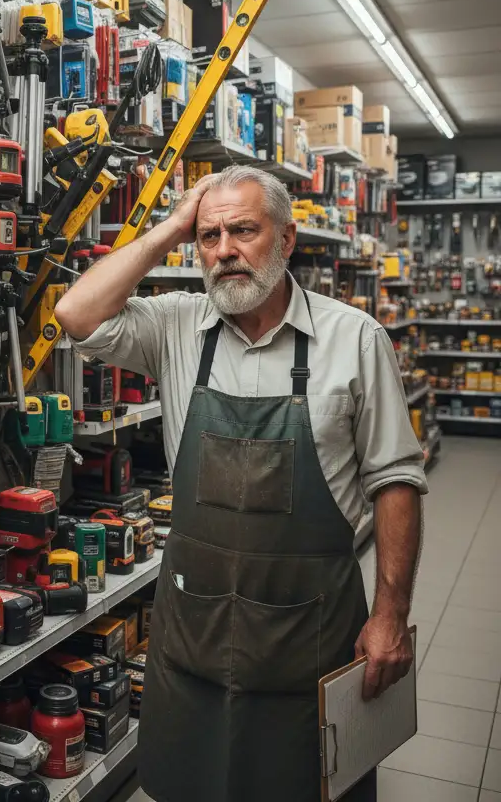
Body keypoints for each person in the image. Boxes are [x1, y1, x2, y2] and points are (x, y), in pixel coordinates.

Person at [55, 165, 425, 802]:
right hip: (193, 637)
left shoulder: (355, 339)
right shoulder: (176, 327)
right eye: (209, 237)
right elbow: (76, 313)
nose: (224, 251)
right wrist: (171, 226)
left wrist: (392, 612)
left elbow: (396, 481)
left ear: (286, 242)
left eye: (244, 231)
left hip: (308, 634)